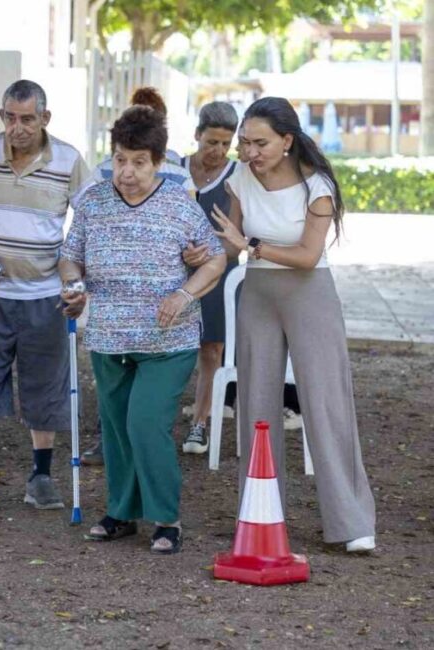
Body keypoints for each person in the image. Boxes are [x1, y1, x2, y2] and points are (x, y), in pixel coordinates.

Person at [209, 96, 376, 553]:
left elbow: (305, 256)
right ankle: (259, 514)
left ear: (287, 140)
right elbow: (230, 245)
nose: (249, 152)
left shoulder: (316, 185)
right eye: (244, 143)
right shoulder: (242, 177)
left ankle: (352, 521)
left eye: (259, 143)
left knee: (325, 404)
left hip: (310, 294)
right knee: (255, 407)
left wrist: (252, 246)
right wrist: (204, 250)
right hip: (258, 296)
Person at [62, 105, 227, 554]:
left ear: (157, 162)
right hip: (109, 337)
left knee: (145, 422)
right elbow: (69, 255)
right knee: (116, 427)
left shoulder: (178, 204)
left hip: (167, 340)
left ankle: (166, 518)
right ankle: (121, 512)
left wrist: (185, 295)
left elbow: (215, 258)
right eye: (120, 159)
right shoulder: (93, 201)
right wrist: (74, 286)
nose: (127, 172)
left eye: (138, 161)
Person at [0, 80, 89, 512]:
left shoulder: (68, 160)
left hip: (44, 294)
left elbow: (88, 223)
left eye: (27, 118)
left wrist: (75, 280)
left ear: (45, 119)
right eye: (9, 117)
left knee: (44, 385)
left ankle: (41, 477)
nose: (17, 127)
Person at [178, 102, 240, 454]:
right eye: (210, 142)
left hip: (219, 272)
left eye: (225, 143)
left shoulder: (238, 176)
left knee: (211, 348)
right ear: (197, 134)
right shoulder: (175, 170)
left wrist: (210, 253)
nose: (217, 151)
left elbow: (238, 239)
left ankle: (199, 424)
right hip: (172, 270)